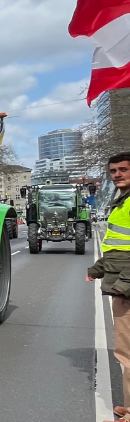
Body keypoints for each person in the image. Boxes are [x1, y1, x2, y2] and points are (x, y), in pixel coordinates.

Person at [88, 152, 130, 422]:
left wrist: (125, 283)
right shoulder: (121, 202)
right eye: (113, 171)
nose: (117, 174)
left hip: (126, 286)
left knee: (127, 352)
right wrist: (99, 269)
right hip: (121, 283)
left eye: (123, 169)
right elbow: (118, 244)